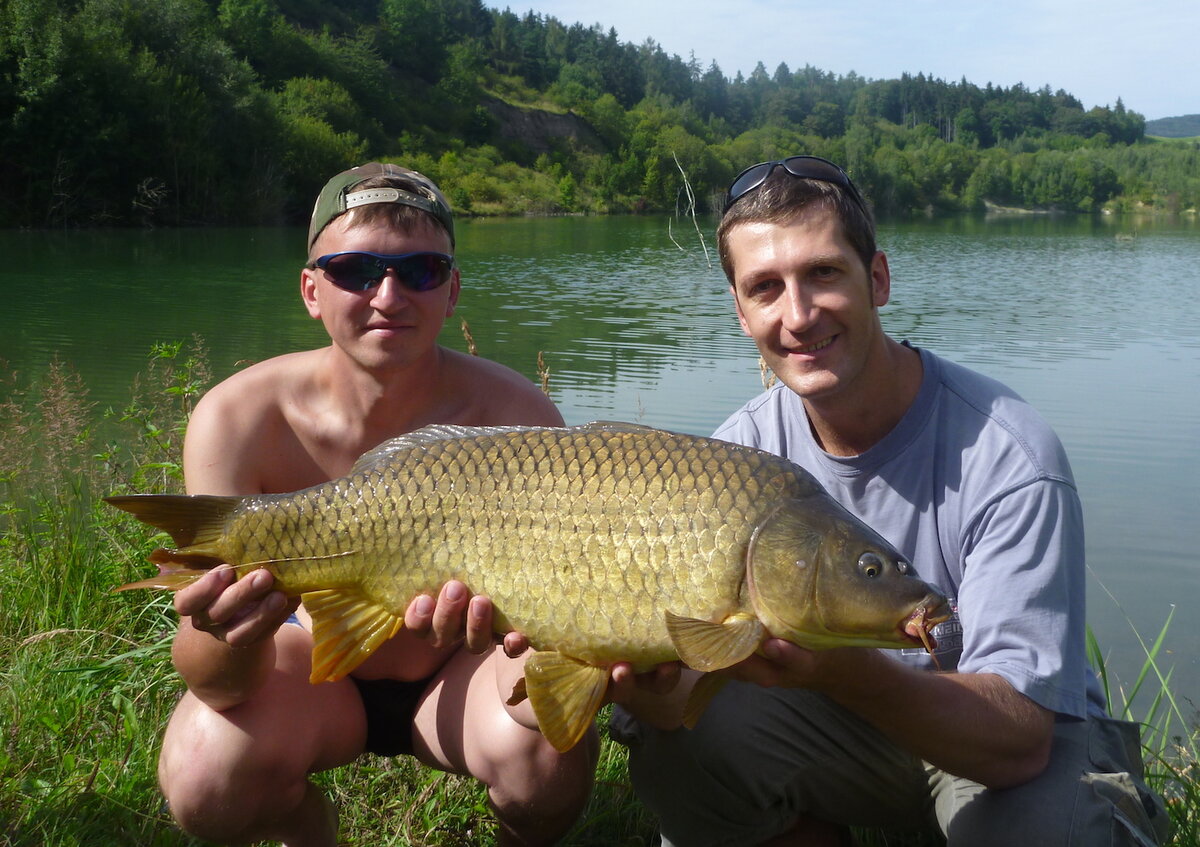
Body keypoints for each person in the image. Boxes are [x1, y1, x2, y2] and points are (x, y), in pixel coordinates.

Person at [609, 156, 1169, 846]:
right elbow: (681, 701)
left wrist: (843, 670)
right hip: (849, 726)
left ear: (877, 279)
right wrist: (641, 686)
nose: (798, 315)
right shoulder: (738, 459)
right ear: (741, 311)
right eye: (765, 288)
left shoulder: (1008, 454)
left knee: (1041, 829)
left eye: (823, 273)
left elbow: (1019, 740)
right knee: (686, 743)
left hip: (1009, 738)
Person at [156, 162, 597, 847]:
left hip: (460, 670)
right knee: (204, 782)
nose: (388, 295)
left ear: (452, 291)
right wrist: (224, 630)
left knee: (547, 763)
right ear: (312, 289)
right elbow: (216, 685)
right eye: (355, 270)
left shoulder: (518, 414)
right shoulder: (238, 418)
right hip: (309, 668)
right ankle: (307, 831)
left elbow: (557, 610)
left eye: (421, 270)